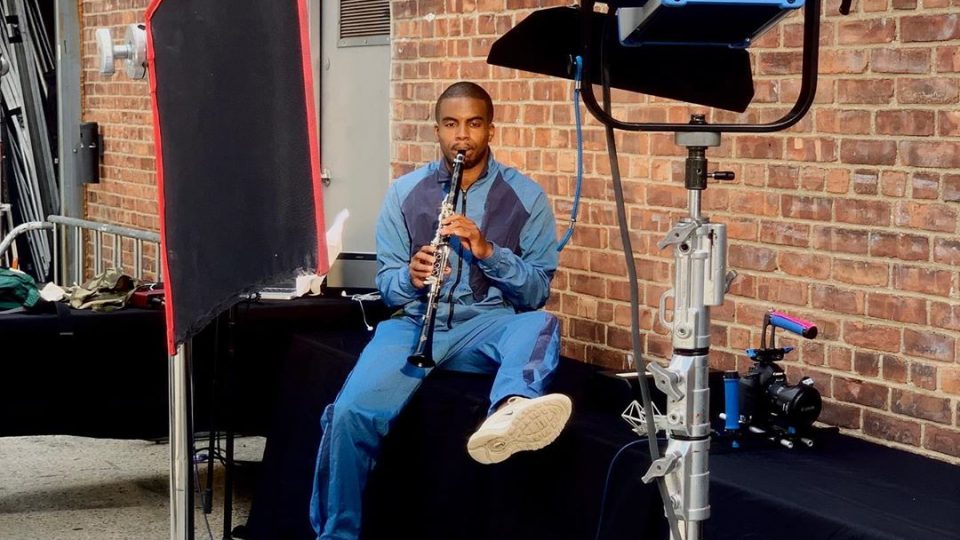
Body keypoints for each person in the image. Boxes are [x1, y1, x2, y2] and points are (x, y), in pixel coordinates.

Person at [309, 81, 571, 540]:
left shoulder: (527, 198)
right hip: (413, 325)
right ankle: (336, 534)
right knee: (348, 415)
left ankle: (512, 407)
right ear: (437, 130)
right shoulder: (404, 193)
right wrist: (410, 276)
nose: (462, 136)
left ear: (491, 129)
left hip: (487, 325)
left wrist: (489, 251)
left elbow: (535, 293)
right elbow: (388, 288)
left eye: (474, 124)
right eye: (451, 124)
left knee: (540, 325)